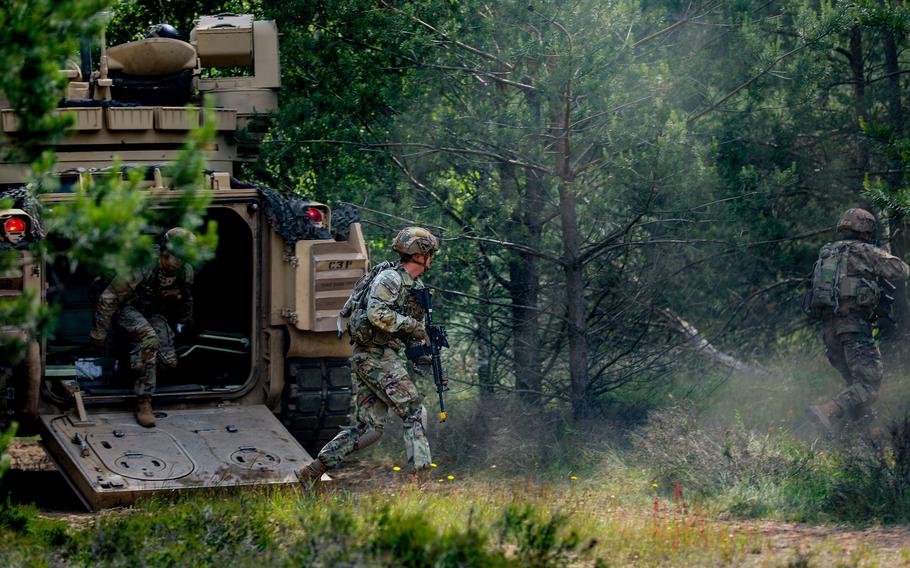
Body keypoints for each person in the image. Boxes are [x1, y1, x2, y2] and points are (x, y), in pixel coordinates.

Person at [298, 226, 440, 484]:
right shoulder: (390, 278)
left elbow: (407, 331)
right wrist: (413, 326)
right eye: (431, 253)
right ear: (420, 254)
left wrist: (421, 352)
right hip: (374, 355)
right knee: (413, 411)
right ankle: (422, 481)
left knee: (369, 429)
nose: (433, 258)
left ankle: (312, 471)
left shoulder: (416, 287)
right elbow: (377, 315)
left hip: (380, 356)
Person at [806, 208, 909, 434]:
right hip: (854, 327)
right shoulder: (864, 251)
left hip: (830, 331)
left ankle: (853, 441)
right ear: (866, 230)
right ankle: (826, 410)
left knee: (855, 390)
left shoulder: (827, 253)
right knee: (868, 385)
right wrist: (879, 254)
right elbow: (900, 270)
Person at [90, 228, 196, 427]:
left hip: (151, 312)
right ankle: (144, 401)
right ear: (165, 251)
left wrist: (186, 323)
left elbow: (186, 297)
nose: (179, 261)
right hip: (124, 308)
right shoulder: (143, 263)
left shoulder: (185, 271)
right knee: (149, 339)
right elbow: (109, 297)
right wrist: (99, 333)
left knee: (169, 361)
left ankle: (132, 371)